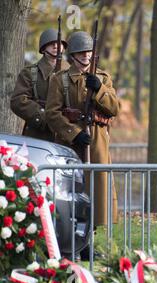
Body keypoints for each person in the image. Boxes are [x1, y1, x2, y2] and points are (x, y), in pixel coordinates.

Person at [45, 31, 120, 258]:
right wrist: (73, 133)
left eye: (88, 52)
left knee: (95, 191)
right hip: (71, 143)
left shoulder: (103, 78)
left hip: (96, 141)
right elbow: (52, 113)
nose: (86, 56)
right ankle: (70, 243)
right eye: (81, 52)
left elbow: (114, 108)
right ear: (73, 55)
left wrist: (99, 89)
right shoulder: (60, 79)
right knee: (71, 191)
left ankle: (89, 242)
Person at [10, 29, 70, 142]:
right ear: (43, 48)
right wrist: (45, 117)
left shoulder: (72, 72)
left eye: (59, 43)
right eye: (51, 43)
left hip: (67, 135)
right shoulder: (30, 72)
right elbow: (18, 100)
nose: (56, 46)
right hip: (39, 135)